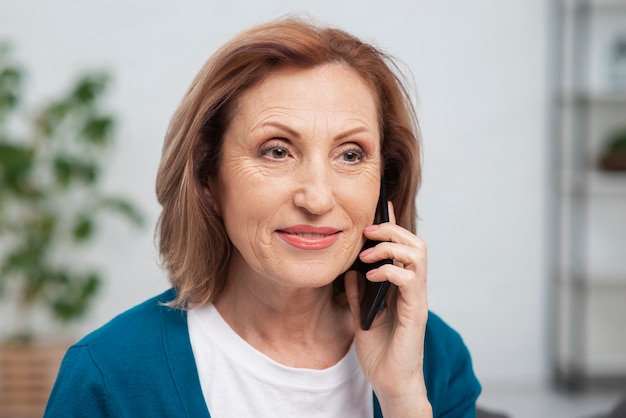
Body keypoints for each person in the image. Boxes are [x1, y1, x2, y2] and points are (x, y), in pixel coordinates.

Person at [44, 18, 481, 417]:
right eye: (276, 151)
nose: (317, 197)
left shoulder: (434, 357)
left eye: (350, 155)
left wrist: (403, 398)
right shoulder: (108, 376)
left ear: (384, 182)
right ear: (207, 177)